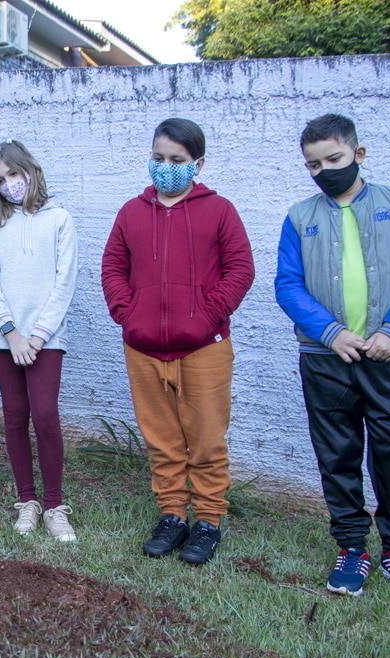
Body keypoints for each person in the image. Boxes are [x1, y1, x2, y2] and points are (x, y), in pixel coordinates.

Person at [275, 114, 390, 597]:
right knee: (338, 452)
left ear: (358, 155)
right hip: (325, 358)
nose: (325, 170)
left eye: (335, 159)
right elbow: (288, 284)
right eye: (314, 165)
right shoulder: (299, 218)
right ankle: (351, 547)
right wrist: (329, 332)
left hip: (388, 354)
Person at [102, 118, 254, 566]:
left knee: (206, 439)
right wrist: (128, 315)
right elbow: (112, 267)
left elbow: (240, 269)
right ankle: (172, 515)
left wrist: (208, 316)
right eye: (158, 158)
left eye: (177, 160)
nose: (165, 167)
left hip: (203, 348)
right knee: (163, 440)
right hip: (144, 348)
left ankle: (207, 521)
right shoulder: (131, 212)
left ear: (197, 164)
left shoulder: (220, 210)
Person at [0, 140, 78, 541]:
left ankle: (54, 505)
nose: (9, 184)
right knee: (15, 415)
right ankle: (27, 501)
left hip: (45, 338)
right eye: (0, 180)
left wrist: (36, 335)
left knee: (45, 415)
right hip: (4, 336)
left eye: (14, 174)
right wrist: (12, 333)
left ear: (30, 170)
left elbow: (63, 281)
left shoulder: (60, 219)